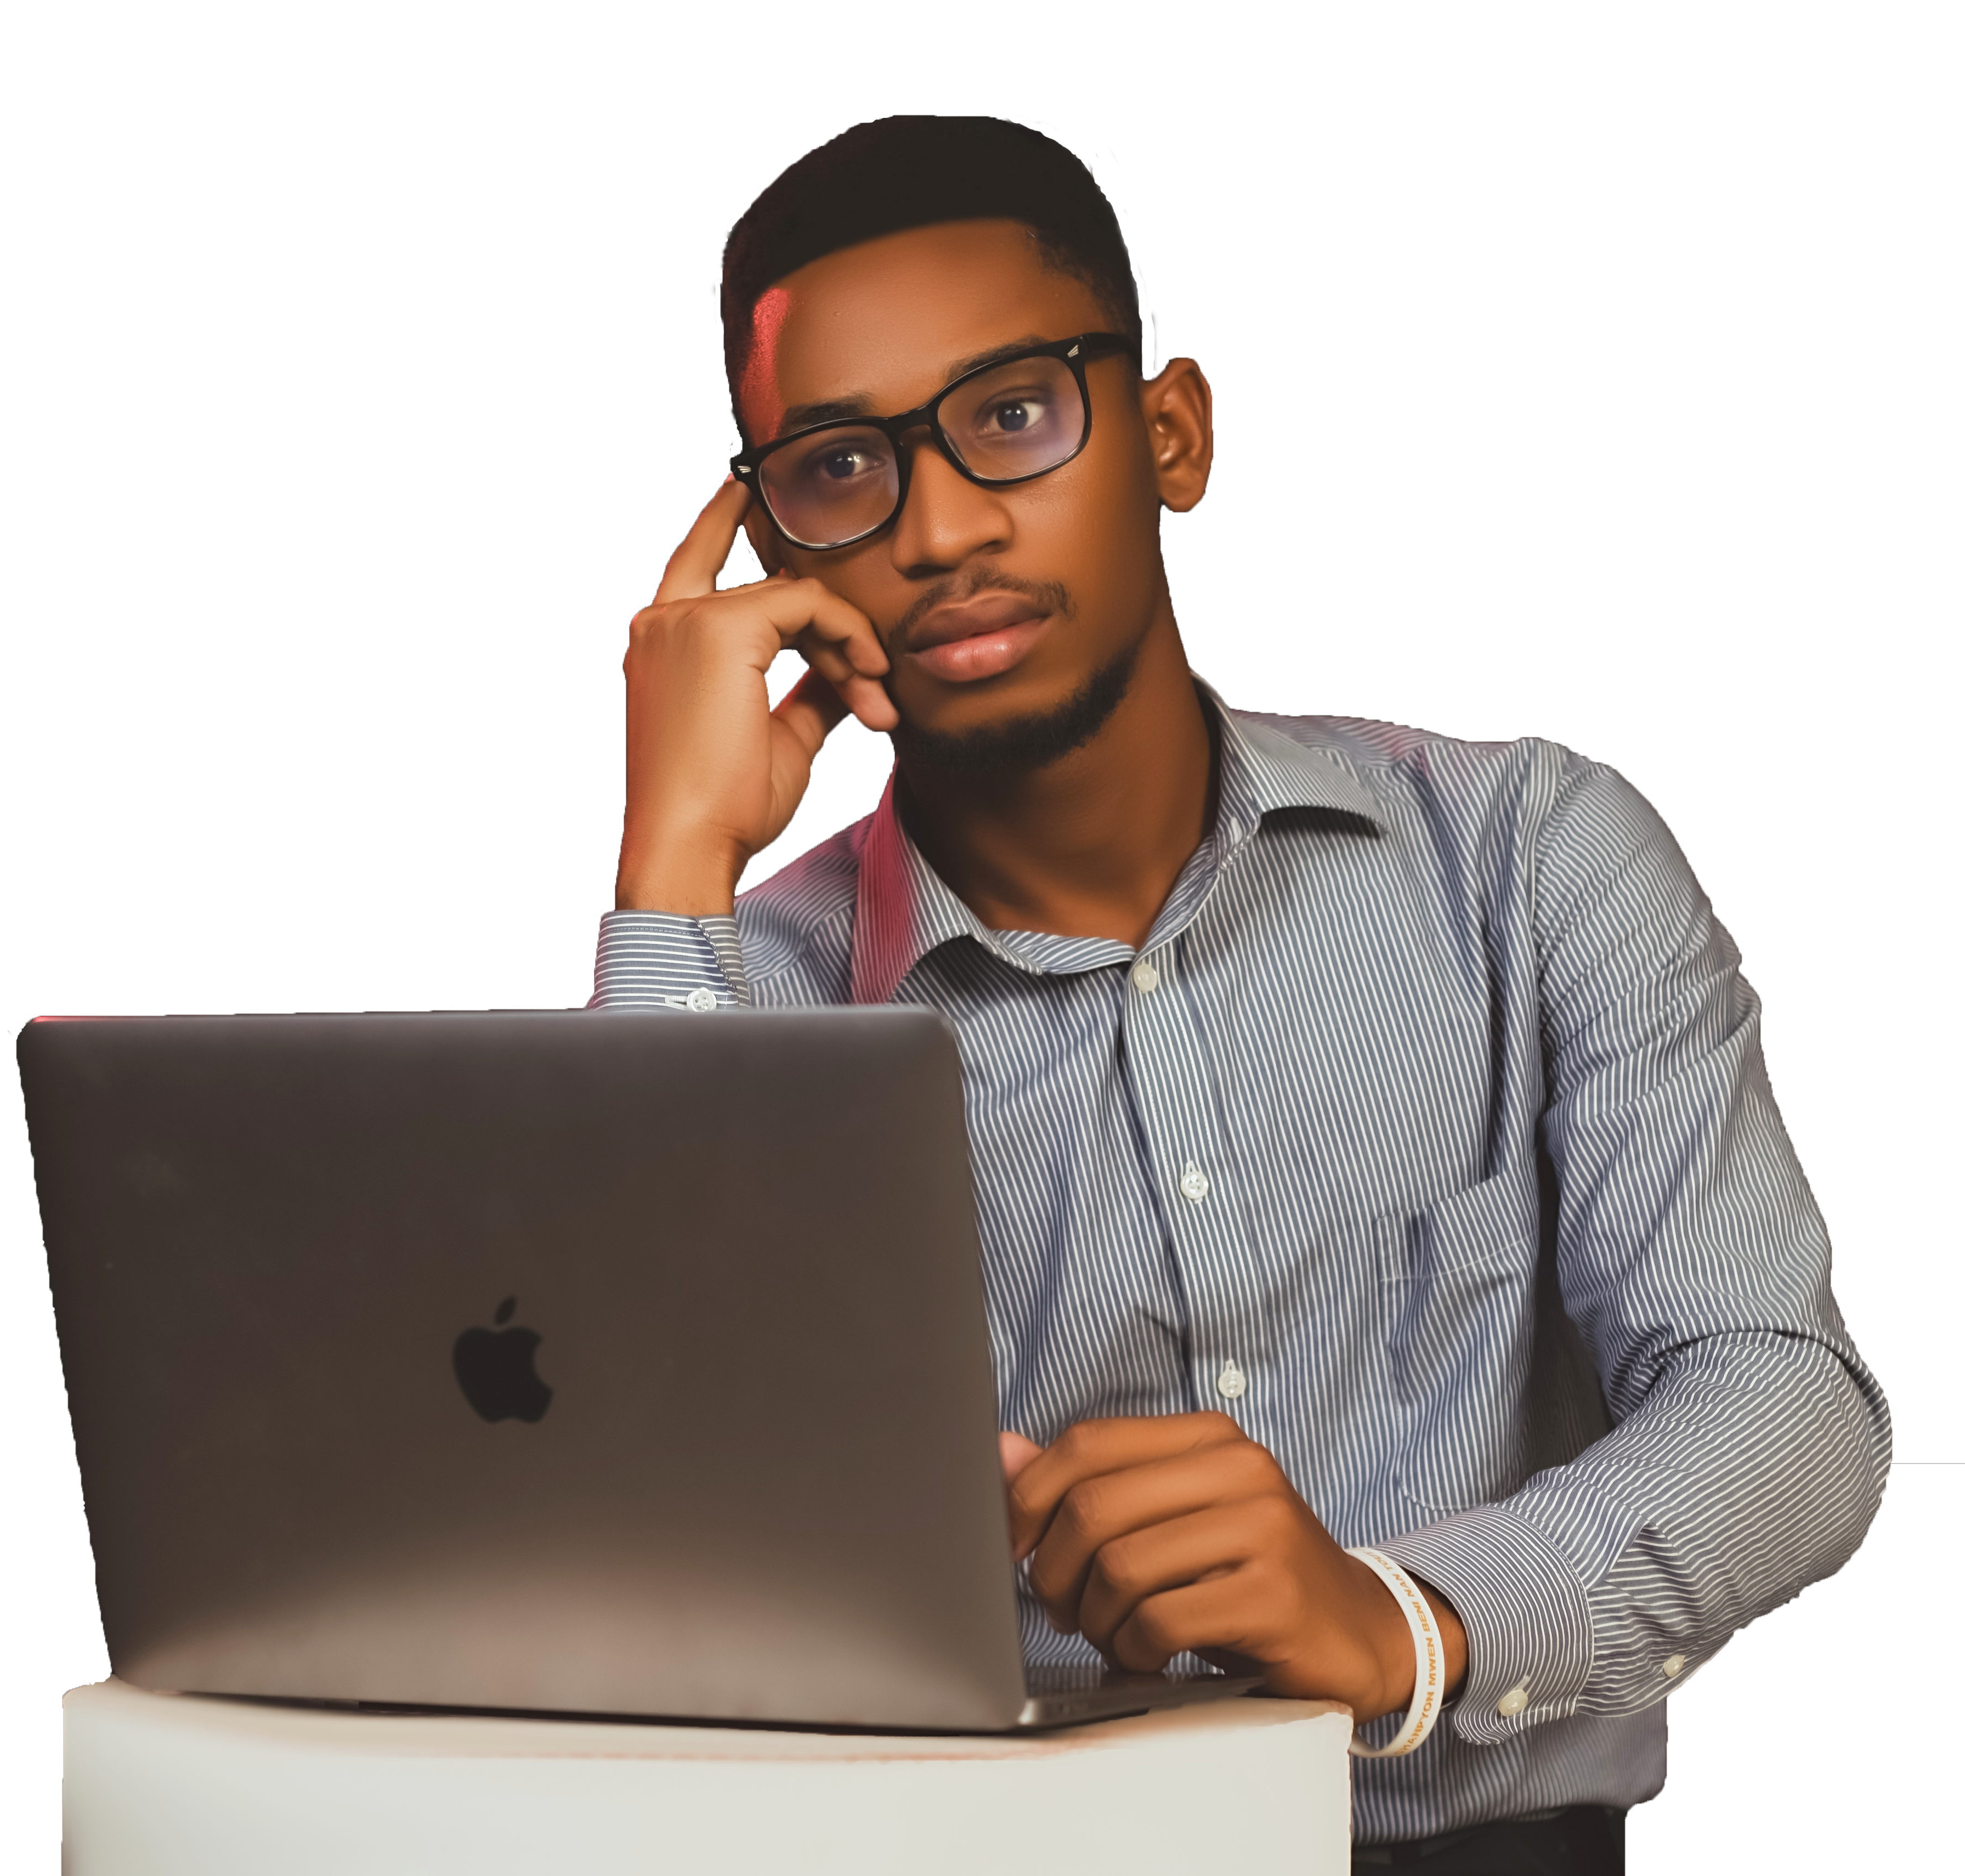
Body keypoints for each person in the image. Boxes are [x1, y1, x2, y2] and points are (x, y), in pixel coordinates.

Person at [590, 115, 1887, 1871]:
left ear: (1171, 436)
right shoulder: (749, 988)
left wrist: (1401, 1616)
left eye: (1015, 414)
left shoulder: (1527, 853)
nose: (945, 524)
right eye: (840, 466)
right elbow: (641, 1527)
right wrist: (672, 863)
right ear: (771, 549)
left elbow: (1785, 1400)